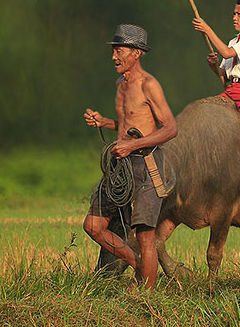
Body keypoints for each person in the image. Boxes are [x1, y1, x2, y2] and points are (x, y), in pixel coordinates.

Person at [82, 24, 177, 289]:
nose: (114, 57)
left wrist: (132, 147)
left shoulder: (150, 85)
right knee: (93, 226)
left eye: (120, 50)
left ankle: (147, 300)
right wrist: (104, 122)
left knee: (146, 236)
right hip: (119, 165)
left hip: (146, 164)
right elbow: (129, 123)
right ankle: (137, 262)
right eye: (114, 51)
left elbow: (170, 128)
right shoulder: (120, 84)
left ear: (136, 53)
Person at [192, 0, 240, 195]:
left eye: (238, 14)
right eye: (233, 13)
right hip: (232, 90)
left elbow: (226, 53)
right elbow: (224, 75)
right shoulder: (235, 40)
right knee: (207, 114)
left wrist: (207, 29)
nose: (234, 17)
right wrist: (213, 67)